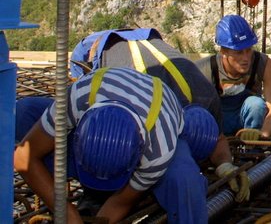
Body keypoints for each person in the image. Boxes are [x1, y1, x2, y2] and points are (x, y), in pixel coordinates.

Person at [68, 27, 250, 202]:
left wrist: (225, 165)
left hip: (149, 41)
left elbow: (218, 139)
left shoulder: (207, 98)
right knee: (101, 143)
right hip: (95, 49)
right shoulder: (140, 110)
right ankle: (93, 195)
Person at [14, 67, 206, 223]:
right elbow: (23, 157)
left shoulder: (158, 150)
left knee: (184, 180)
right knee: (23, 113)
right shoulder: (80, 96)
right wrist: (67, 213)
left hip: (158, 122)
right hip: (104, 100)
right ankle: (91, 192)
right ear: (78, 131)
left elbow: (121, 202)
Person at [196, 14, 271, 142]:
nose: (246, 58)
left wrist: (262, 134)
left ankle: (252, 152)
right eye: (239, 52)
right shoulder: (205, 69)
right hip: (217, 122)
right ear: (223, 52)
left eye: (249, 50)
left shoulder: (262, 63)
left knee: (256, 104)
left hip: (248, 118)